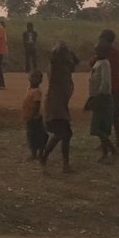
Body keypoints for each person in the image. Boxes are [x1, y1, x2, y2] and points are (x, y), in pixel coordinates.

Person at [40, 41, 77, 173]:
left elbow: (74, 63)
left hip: (59, 104)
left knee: (65, 134)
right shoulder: (56, 67)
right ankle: (45, 157)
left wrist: (68, 53)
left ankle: (59, 162)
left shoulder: (63, 67)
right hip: (56, 105)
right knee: (62, 133)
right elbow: (57, 59)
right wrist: (62, 51)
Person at [90, 28, 119, 151]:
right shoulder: (115, 53)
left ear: (105, 40)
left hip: (107, 90)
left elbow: (92, 64)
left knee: (106, 117)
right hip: (114, 87)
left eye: (101, 38)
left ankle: (111, 142)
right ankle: (115, 141)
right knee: (114, 116)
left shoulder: (102, 54)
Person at [88, 44, 119, 164]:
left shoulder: (105, 63)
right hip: (98, 97)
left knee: (97, 127)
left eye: (98, 50)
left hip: (103, 98)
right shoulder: (99, 62)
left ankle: (111, 150)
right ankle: (108, 151)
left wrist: (97, 97)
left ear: (105, 52)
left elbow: (105, 83)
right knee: (99, 127)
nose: (96, 52)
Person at [22, 72, 48, 159]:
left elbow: (37, 104)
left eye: (37, 78)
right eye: (32, 77)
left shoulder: (37, 91)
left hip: (35, 117)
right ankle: (34, 153)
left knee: (37, 136)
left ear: (41, 80)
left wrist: (32, 114)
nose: (34, 79)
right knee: (31, 136)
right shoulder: (29, 89)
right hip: (29, 116)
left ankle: (39, 153)